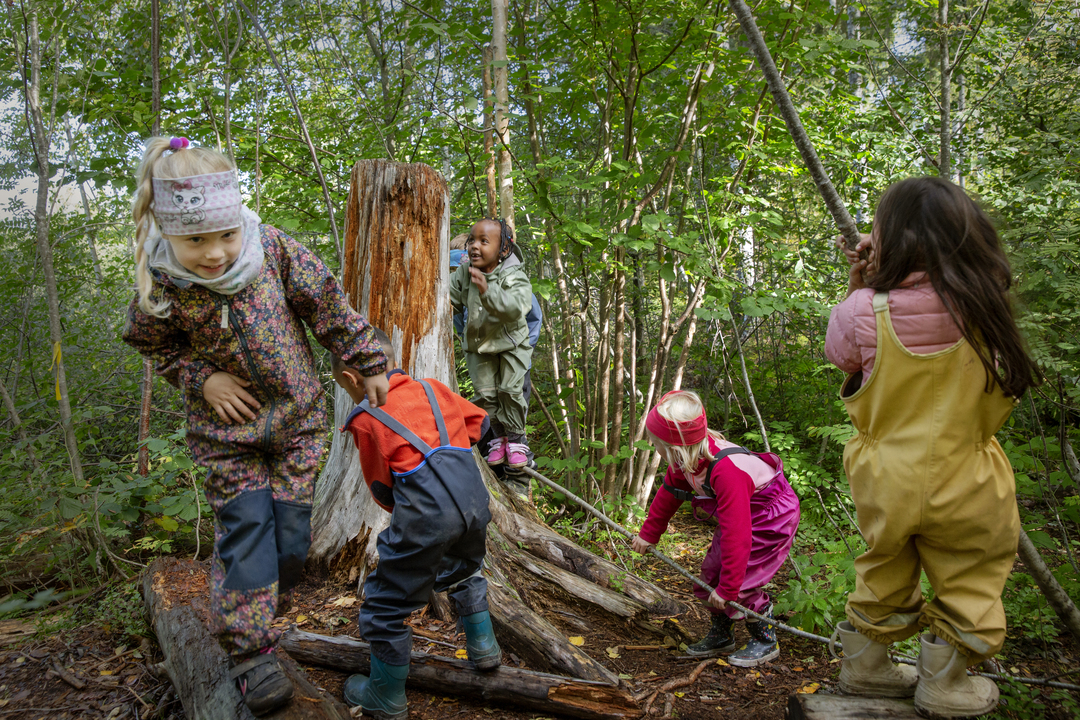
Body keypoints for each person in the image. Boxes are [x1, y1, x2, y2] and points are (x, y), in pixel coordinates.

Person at [122, 136, 389, 716]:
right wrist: (202, 380)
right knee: (247, 535)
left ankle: (263, 597)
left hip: (297, 424)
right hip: (226, 439)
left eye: (224, 235)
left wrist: (367, 360)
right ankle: (249, 655)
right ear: (169, 233)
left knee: (289, 547)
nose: (215, 253)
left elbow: (326, 303)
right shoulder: (164, 282)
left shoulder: (268, 248)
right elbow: (154, 347)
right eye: (196, 241)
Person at [826, 177, 1039, 717]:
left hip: (885, 476)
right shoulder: (986, 307)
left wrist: (858, 286)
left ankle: (865, 668)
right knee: (971, 573)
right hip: (968, 474)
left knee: (883, 563)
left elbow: (840, 356)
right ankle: (946, 684)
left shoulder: (864, 313)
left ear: (888, 241)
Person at [333, 330, 500, 719]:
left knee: (385, 604)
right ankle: (485, 650)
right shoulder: (433, 388)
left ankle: (386, 696)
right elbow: (480, 424)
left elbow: (380, 487)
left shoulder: (365, 417)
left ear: (351, 380)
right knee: (464, 568)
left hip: (427, 516)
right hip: (475, 504)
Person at [631, 390, 800, 667]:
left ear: (673, 447)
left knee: (740, 581)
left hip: (771, 515)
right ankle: (722, 635)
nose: (655, 448)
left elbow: (738, 536)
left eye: (656, 443)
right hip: (744, 515)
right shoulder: (684, 461)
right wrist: (649, 534)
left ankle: (765, 639)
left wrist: (729, 588)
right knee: (711, 575)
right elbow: (668, 495)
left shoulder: (727, 472)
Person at [449, 246, 542, 498]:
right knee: (490, 419)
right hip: (485, 360)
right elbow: (462, 326)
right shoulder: (462, 293)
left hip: (513, 362)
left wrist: (519, 354)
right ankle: (498, 478)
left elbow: (532, 317)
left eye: (458, 271)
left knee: (513, 423)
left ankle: (520, 483)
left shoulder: (507, 282)